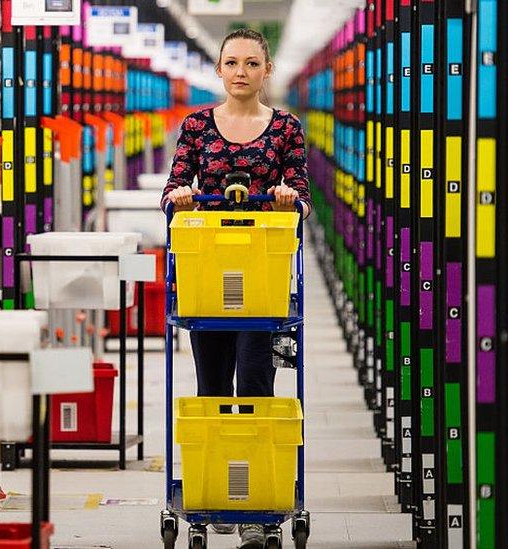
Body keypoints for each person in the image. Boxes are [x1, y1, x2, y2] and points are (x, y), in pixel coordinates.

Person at [160, 28, 311, 549]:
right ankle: (215, 495)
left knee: (255, 387)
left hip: (263, 286)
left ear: (266, 71)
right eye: (231, 62)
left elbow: (302, 191)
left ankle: (252, 509)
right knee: (210, 388)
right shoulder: (197, 125)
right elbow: (173, 186)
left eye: (251, 63)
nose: (241, 71)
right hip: (207, 277)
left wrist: (291, 198)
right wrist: (179, 195)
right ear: (219, 70)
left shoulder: (287, 127)